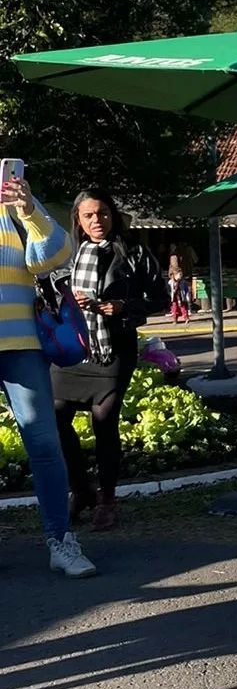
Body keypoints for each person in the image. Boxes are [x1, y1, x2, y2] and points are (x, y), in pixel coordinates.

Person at [0, 168, 96, 576]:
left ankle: (61, 541)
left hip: (21, 343)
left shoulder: (12, 202)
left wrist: (29, 210)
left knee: (44, 445)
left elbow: (57, 256)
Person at [53, 189, 168, 530]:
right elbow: (48, 291)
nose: (96, 221)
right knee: (57, 417)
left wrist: (120, 306)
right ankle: (81, 490)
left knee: (104, 422)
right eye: (88, 215)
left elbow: (159, 299)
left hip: (113, 348)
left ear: (113, 215)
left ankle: (107, 499)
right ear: (78, 220)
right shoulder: (67, 253)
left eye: (102, 213)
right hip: (73, 348)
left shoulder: (133, 252)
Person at [167, 243, 193, 323]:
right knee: (180, 301)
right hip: (180, 279)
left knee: (177, 302)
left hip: (176, 281)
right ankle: (183, 317)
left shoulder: (174, 256)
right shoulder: (182, 254)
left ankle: (178, 318)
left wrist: (174, 276)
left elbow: (175, 267)